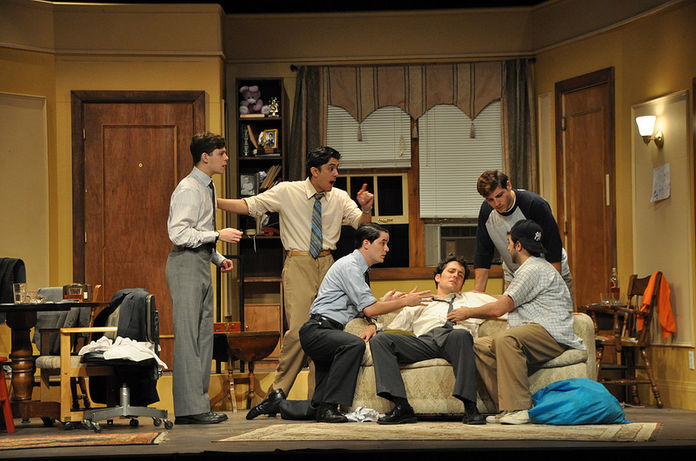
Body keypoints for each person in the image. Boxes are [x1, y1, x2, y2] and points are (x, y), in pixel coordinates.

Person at [217, 146, 374, 419]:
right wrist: (212, 200)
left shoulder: (339, 197)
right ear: (315, 171)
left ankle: (319, 402)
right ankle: (278, 392)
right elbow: (249, 205)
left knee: (327, 330)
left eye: (336, 168)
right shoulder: (287, 191)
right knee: (301, 331)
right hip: (299, 262)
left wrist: (366, 208)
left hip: (329, 264)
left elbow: (361, 224)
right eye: (331, 168)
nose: (336, 174)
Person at [447, 219, 584, 425]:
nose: (508, 247)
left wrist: (467, 312)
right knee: (476, 346)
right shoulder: (532, 268)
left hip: (551, 335)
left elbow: (500, 308)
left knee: (506, 339)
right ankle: (506, 407)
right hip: (535, 333)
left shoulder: (532, 269)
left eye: (510, 242)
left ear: (519, 245)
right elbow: (504, 302)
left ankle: (520, 408)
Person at [299, 222, 432, 423]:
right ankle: (329, 407)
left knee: (316, 406)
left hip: (329, 330)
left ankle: (279, 403)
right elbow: (370, 309)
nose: (387, 249)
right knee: (353, 345)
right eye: (383, 243)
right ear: (366, 243)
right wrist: (405, 302)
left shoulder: (362, 270)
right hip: (318, 330)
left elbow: (365, 309)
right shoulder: (350, 266)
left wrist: (380, 310)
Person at [166, 132, 243, 425]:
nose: (226, 158)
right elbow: (178, 233)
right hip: (185, 264)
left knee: (202, 336)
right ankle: (189, 409)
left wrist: (218, 257)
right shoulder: (188, 188)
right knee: (189, 337)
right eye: (221, 153)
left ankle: (197, 405)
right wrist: (218, 235)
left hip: (200, 262)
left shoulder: (207, 187)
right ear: (204, 157)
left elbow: (198, 233)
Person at [368, 256, 497, 425]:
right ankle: (402, 407)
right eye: (451, 271)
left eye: (460, 275)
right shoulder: (420, 302)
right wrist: (374, 325)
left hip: (454, 339)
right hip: (425, 342)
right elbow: (391, 327)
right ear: (438, 277)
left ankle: (470, 407)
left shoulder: (472, 298)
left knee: (461, 335)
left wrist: (470, 312)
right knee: (381, 340)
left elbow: (506, 306)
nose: (455, 276)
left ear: (462, 284)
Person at [473, 170, 573, 298]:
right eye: (490, 200)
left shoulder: (535, 204)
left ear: (508, 185)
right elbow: (483, 252)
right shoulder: (487, 211)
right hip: (515, 276)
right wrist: (478, 295)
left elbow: (553, 247)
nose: (497, 203)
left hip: (550, 272)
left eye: (499, 195)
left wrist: (553, 289)